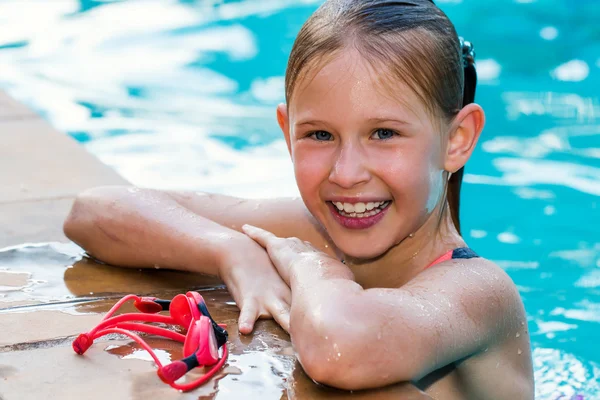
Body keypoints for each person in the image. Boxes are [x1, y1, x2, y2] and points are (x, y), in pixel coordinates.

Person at [63, 0, 534, 397]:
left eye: (384, 133)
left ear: (457, 139)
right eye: (321, 134)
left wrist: (313, 266)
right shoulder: (311, 228)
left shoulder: (479, 292)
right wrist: (231, 250)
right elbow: (96, 211)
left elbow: (341, 349)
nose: (346, 174)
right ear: (287, 133)